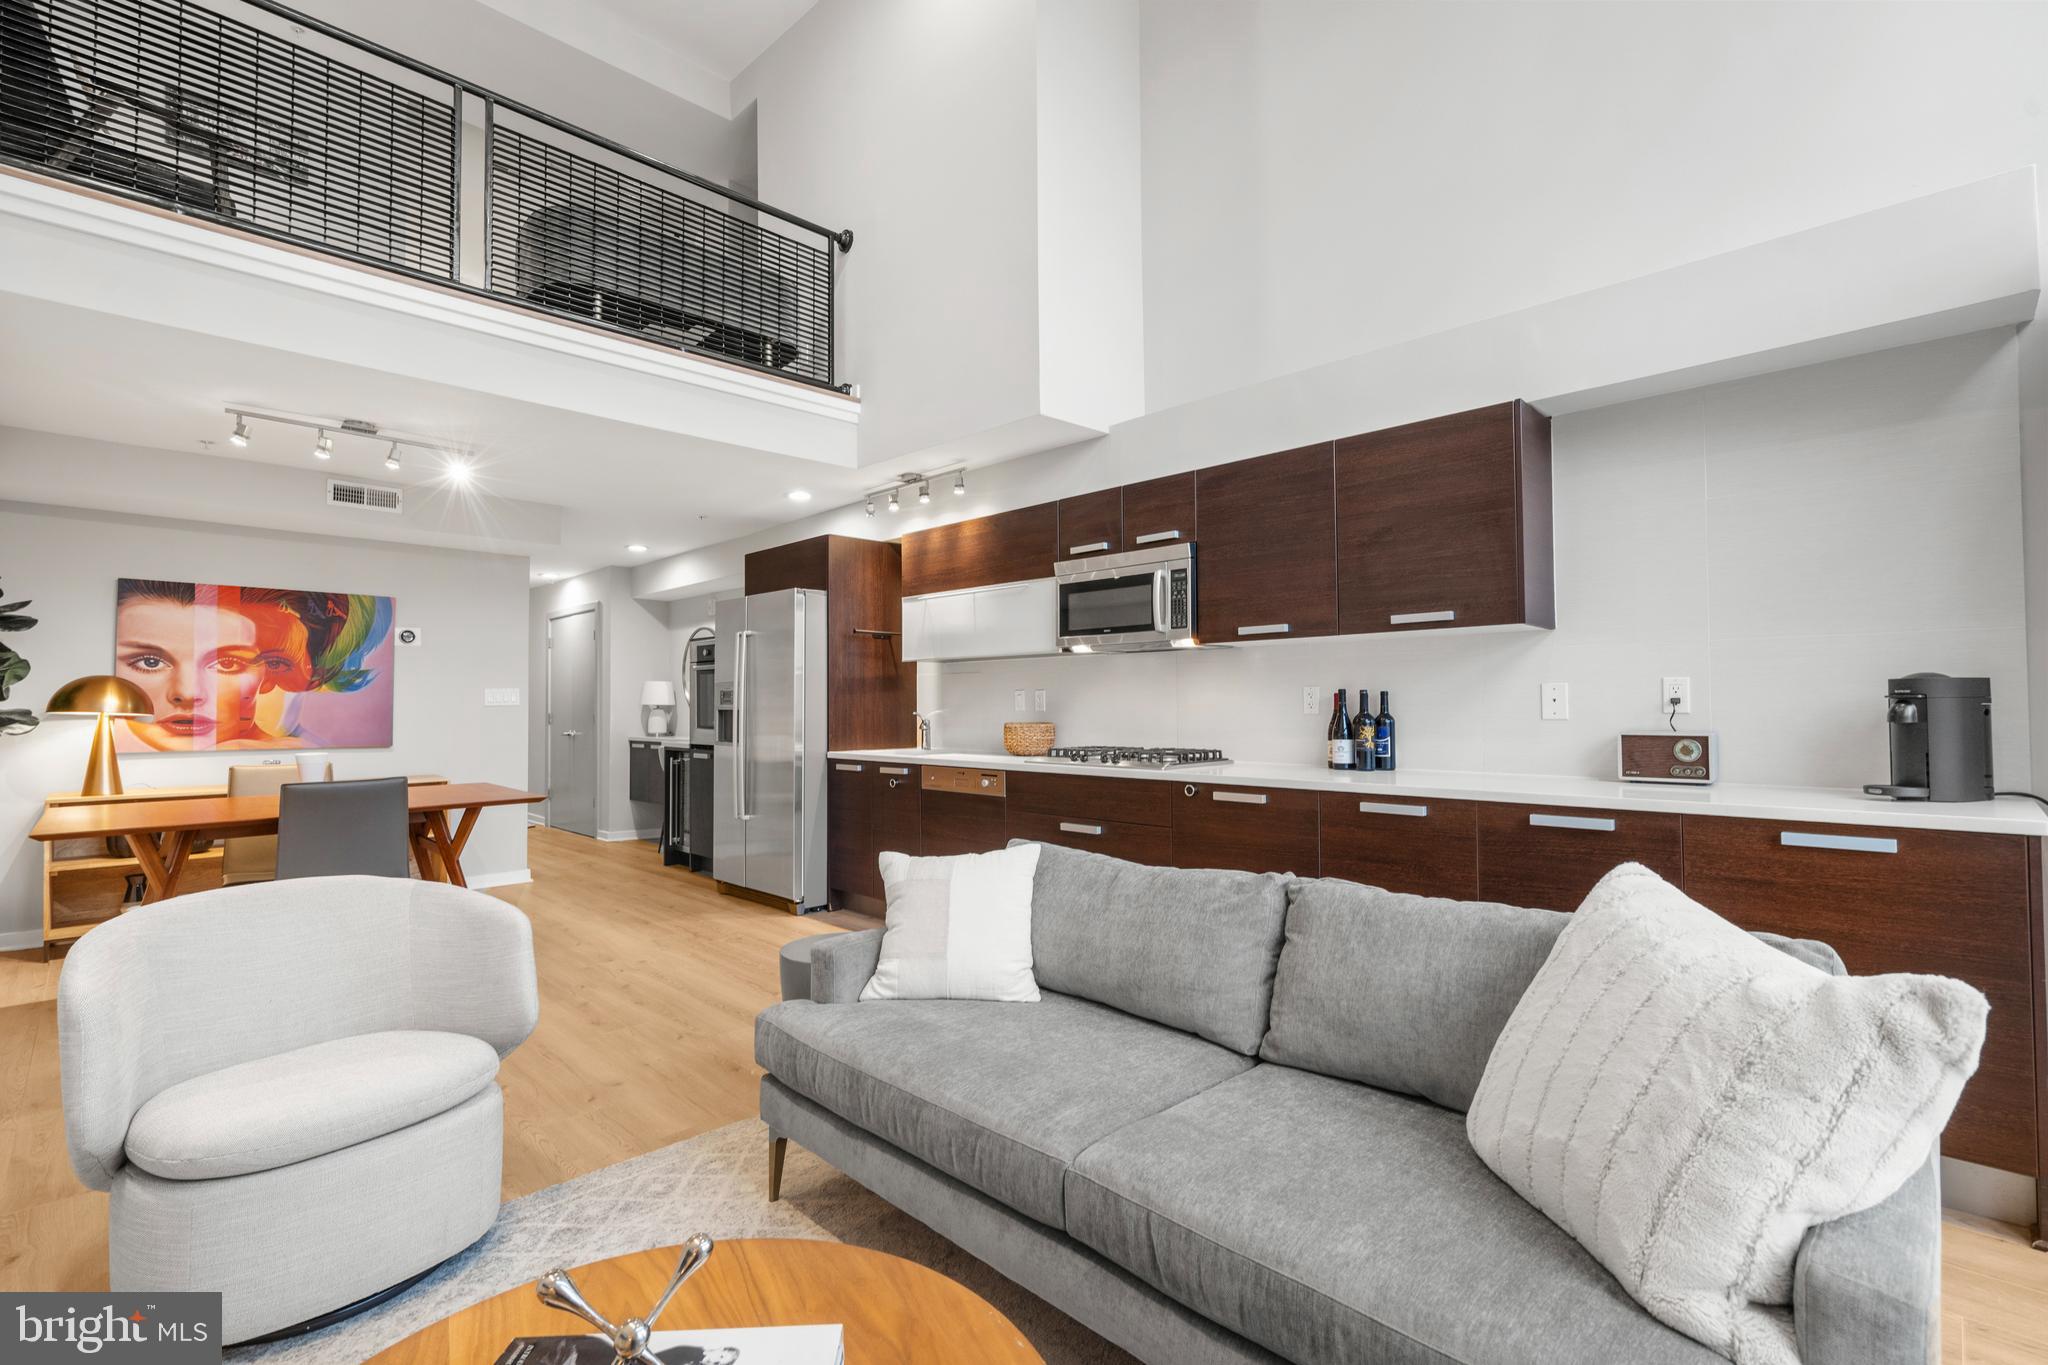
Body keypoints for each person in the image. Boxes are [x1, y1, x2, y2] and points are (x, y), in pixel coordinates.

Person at [113, 579, 390, 751]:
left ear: (267, 674)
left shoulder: (296, 761)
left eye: (227, 663)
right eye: (150, 662)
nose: (187, 693)